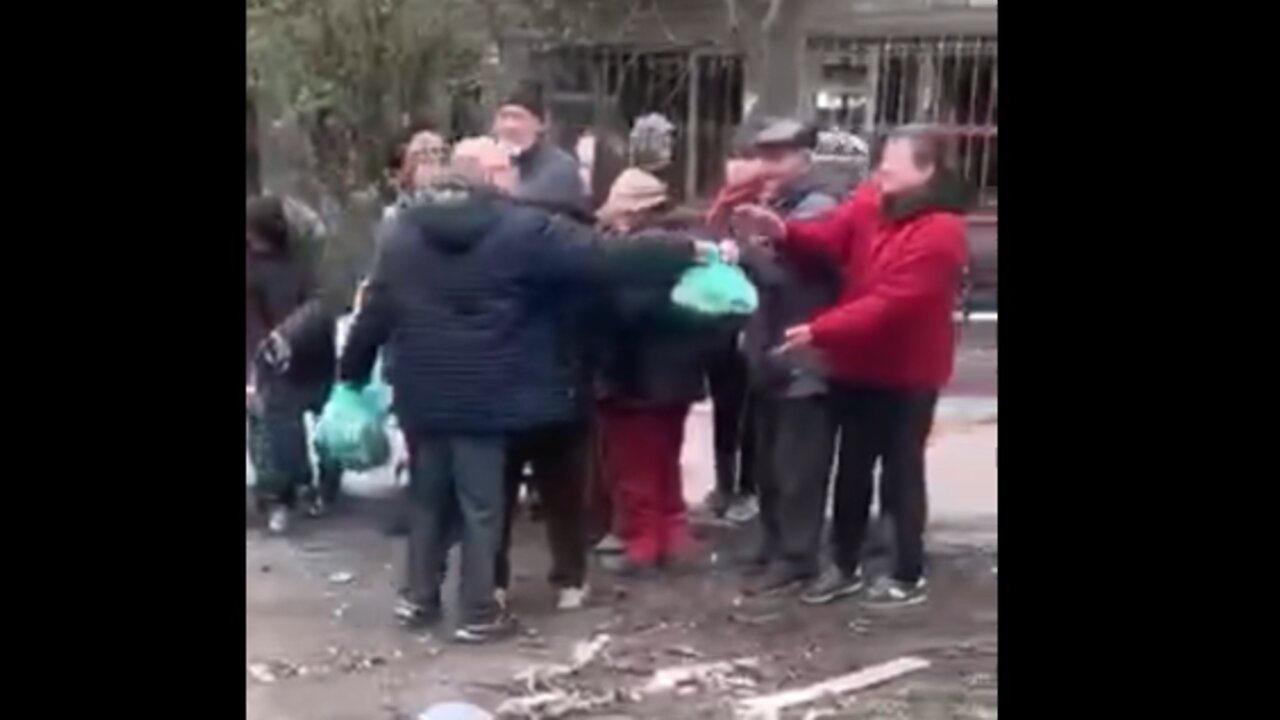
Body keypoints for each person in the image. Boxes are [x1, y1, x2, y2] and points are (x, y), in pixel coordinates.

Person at [339, 147, 709, 642]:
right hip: (489, 394)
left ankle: (418, 599)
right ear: (493, 177)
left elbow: (375, 312)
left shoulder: (401, 231)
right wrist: (688, 251)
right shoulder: (522, 231)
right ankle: (477, 612)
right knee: (483, 507)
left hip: (421, 394)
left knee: (429, 500)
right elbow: (605, 258)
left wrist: (351, 377)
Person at [733, 124, 972, 608]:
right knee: (852, 470)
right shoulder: (871, 202)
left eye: (893, 164)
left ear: (925, 171)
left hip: (909, 372)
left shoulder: (941, 230)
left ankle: (906, 571)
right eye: (882, 162)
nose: (881, 171)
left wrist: (821, 329)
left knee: (901, 472)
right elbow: (829, 234)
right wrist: (785, 231)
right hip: (858, 365)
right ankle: (843, 564)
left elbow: (894, 302)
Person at [719, 119, 849, 596]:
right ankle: (774, 544)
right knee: (771, 462)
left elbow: (785, 274)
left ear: (804, 157)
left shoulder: (819, 208)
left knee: (799, 465)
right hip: (767, 347)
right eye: (762, 155)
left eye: (778, 156)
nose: (767, 166)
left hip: (803, 351)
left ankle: (798, 555)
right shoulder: (770, 204)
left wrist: (744, 256)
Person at [594, 168, 738, 576]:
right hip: (677, 376)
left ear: (633, 212)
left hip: (631, 375)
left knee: (634, 464)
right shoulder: (696, 249)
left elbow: (624, 312)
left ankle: (644, 542)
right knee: (663, 458)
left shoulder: (633, 255)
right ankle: (673, 534)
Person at [245, 195, 341, 533]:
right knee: (281, 423)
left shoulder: (306, 253)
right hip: (278, 356)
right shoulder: (264, 261)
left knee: (316, 420)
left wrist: (285, 335)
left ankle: (312, 483)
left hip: (304, 349)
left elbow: (323, 300)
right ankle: (287, 488)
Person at [493, 79, 586, 217]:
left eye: (518, 118)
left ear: (541, 124)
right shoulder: (484, 159)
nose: (509, 126)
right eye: (504, 117)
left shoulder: (560, 166)